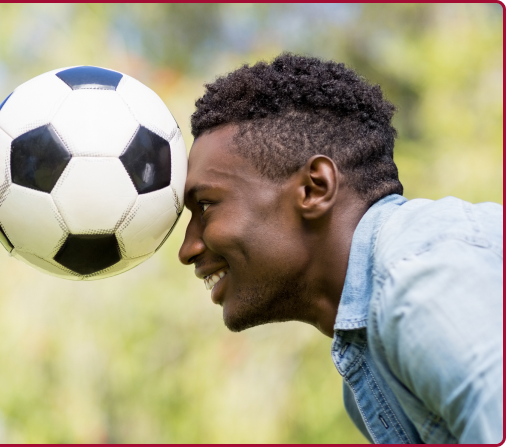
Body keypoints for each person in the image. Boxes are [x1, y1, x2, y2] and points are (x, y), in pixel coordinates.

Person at [178, 53, 502, 443]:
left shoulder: (419, 284)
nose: (189, 248)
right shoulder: (363, 368)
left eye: (207, 206)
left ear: (314, 188)